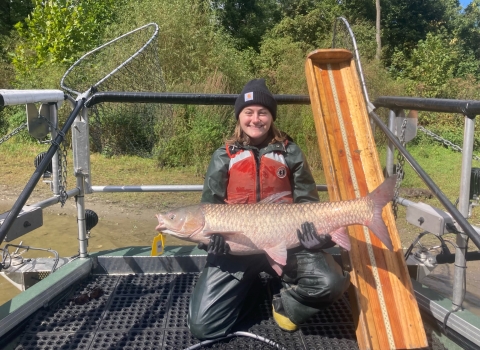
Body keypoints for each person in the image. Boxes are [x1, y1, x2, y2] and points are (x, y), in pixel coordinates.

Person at [188, 78, 350, 340]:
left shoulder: (291, 151)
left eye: (262, 112)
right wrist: (210, 243)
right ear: (239, 116)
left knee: (331, 283)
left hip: (286, 240)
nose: (255, 119)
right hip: (236, 249)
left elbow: (308, 201)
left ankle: (286, 304)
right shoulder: (222, 155)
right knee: (203, 327)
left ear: (271, 117)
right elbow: (209, 208)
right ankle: (249, 290)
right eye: (248, 112)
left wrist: (313, 236)